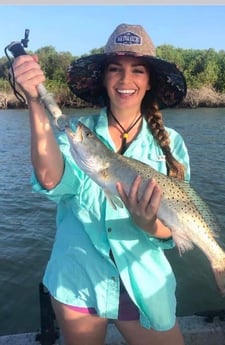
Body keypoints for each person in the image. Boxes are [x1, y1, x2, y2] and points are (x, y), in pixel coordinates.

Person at [13, 23, 190, 345]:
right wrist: (35, 102)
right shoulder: (78, 135)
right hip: (78, 277)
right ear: (103, 78)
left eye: (138, 70)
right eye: (114, 69)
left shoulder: (172, 145)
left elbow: (176, 226)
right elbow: (51, 178)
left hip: (144, 283)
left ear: (149, 81)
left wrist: (148, 224)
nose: (125, 79)